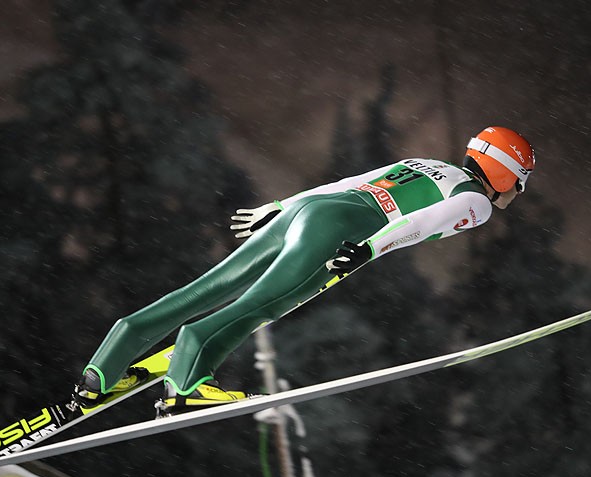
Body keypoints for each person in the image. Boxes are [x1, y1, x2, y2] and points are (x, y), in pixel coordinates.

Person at [71, 126, 535, 417]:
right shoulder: (477, 204)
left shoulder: (427, 164)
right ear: (503, 173)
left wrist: (281, 206)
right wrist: (369, 249)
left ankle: (103, 370)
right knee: (261, 305)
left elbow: (350, 183)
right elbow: (420, 223)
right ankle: (186, 384)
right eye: (518, 183)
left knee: (206, 288)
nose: (515, 194)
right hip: (340, 229)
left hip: (314, 210)